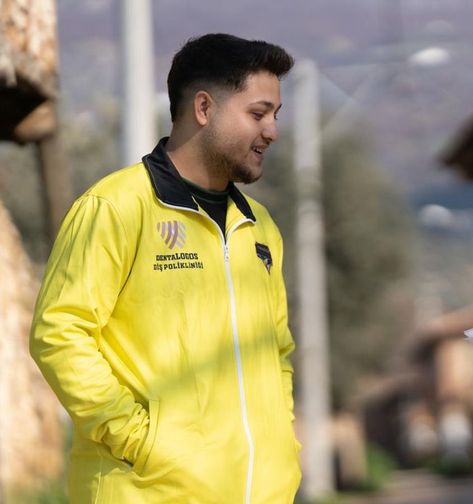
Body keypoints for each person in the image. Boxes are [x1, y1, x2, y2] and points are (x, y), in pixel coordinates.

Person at [30, 34, 301, 503]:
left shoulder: (260, 228)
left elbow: (276, 353)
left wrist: (283, 447)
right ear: (204, 108)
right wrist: (139, 440)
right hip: (147, 490)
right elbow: (59, 334)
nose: (272, 131)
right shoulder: (114, 207)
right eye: (258, 114)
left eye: (275, 115)